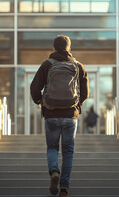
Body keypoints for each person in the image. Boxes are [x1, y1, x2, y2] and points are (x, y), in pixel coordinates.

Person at [30, 35, 89, 197]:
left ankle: (54, 172)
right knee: (68, 151)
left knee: (52, 148)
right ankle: (64, 187)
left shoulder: (47, 65)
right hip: (71, 115)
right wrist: (76, 106)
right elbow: (85, 93)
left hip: (51, 113)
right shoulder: (78, 66)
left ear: (54, 48)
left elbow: (35, 88)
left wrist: (40, 101)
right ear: (69, 49)